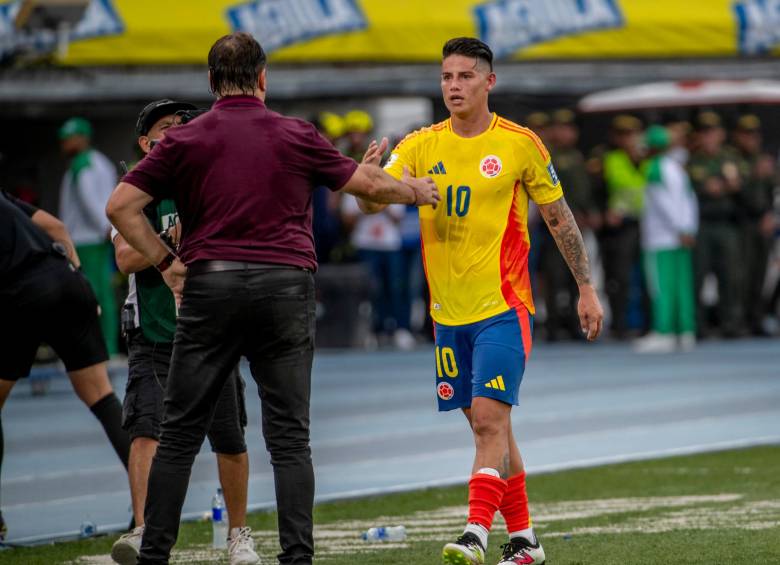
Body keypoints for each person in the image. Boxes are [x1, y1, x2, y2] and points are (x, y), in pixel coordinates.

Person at [106, 32, 439, 565]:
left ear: (212, 83)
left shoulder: (185, 141)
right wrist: (415, 191)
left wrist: (170, 265)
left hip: (210, 287)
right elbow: (371, 189)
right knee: (289, 439)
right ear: (264, 78)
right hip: (285, 289)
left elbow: (120, 207)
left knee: (179, 435)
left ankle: (155, 556)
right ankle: (296, 559)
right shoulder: (294, 133)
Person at [361, 37, 603, 565]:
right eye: (447, 76)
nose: (454, 85)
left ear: (488, 82)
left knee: (491, 422)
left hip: (503, 308)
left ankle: (475, 532)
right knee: (490, 429)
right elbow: (372, 196)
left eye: (465, 76)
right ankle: (526, 541)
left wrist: (586, 288)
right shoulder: (421, 144)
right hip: (447, 316)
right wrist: (367, 183)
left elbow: (560, 219)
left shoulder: (519, 144)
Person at [109, 99, 258, 565]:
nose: (175, 132)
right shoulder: (137, 189)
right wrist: (167, 246)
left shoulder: (209, 181)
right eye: (165, 127)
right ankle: (143, 527)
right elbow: (124, 259)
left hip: (213, 330)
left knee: (229, 438)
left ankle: (238, 534)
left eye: (183, 126)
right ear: (144, 141)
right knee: (146, 433)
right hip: (154, 333)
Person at [0, 190, 130, 539]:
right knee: (101, 395)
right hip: (67, 280)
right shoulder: (5, 200)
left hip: (20, 293)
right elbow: (57, 227)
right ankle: (150, 506)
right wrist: (80, 276)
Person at [634, 125, 698, 354]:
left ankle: (663, 332)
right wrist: (688, 228)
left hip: (661, 237)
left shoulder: (655, 168)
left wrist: (678, 227)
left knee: (660, 286)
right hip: (681, 236)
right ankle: (686, 331)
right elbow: (689, 200)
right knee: (681, 285)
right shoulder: (677, 168)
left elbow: (663, 203)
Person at [58, 117, 120, 355]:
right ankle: (103, 349)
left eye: (68, 139)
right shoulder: (94, 162)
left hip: (89, 241)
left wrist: (106, 228)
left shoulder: (84, 164)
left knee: (93, 297)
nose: (63, 144)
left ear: (82, 138)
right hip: (91, 239)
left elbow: (90, 201)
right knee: (98, 295)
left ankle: (102, 351)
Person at [540, 108, 597, 340]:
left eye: (569, 128)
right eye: (561, 128)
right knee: (554, 276)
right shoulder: (547, 155)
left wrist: (589, 211)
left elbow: (584, 190)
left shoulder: (577, 156)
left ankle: (576, 323)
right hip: (554, 225)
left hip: (578, 223)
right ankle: (553, 325)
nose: (566, 133)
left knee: (577, 276)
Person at [688, 111, 743, 337]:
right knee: (698, 275)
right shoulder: (693, 160)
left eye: (712, 132)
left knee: (730, 276)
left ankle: (731, 324)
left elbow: (742, 185)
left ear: (720, 134)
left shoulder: (731, 158)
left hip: (726, 223)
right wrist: (706, 188)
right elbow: (687, 189)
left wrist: (730, 186)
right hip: (702, 224)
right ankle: (698, 326)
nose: (708, 137)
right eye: (704, 133)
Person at [730, 115, 777, 335]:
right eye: (746, 134)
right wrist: (752, 176)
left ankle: (756, 319)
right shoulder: (733, 159)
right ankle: (740, 321)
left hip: (763, 224)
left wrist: (771, 215)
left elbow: (772, 192)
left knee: (761, 274)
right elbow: (736, 193)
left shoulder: (764, 159)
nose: (751, 138)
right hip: (742, 225)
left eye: (754, 134)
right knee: (741, 276)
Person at [601, 114, 646, 338]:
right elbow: (597, 191)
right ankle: (620, 324)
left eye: (633, 134)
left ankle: (648, 324)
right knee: (620, 277)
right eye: (624, 134)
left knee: (648, 276)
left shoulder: (647, 159)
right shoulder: (609, 159)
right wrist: (602, 214)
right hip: (620, 227)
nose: (629, 139)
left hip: (647, 225)